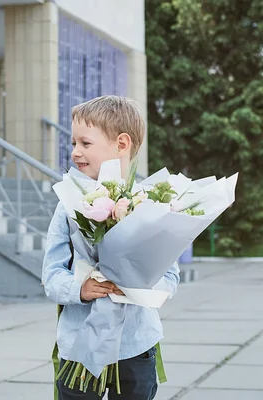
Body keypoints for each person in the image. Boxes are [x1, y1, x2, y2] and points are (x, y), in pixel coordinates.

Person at [42, 95, 180, 400]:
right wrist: (80, 288)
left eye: (85, 143)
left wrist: (142, 286)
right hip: (80, 344)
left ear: (121, 144)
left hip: (136, 344)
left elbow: (170, 275)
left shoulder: (151, 205)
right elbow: (51, 276)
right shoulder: (68, 206)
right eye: (73, 142)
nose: (75, 152)